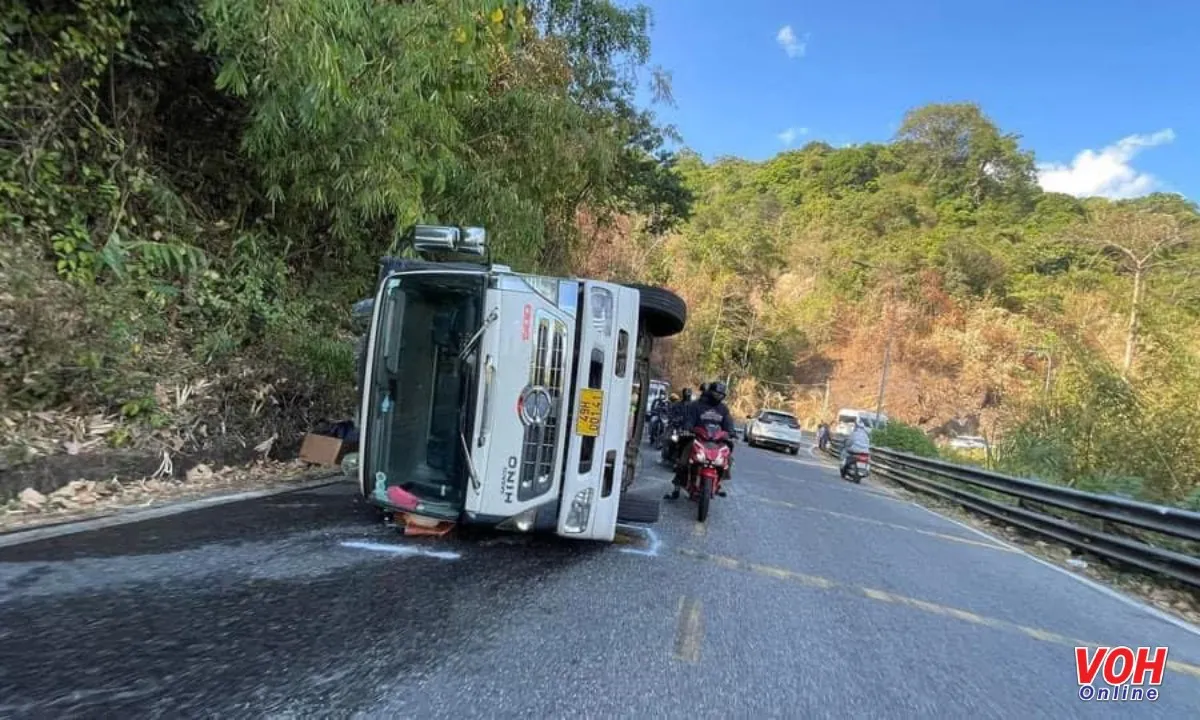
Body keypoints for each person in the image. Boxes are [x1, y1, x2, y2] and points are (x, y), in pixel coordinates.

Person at [665, 381, 736, 500]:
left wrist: (731, 432)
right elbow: (689, 419)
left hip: (716, 441)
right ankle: (677, 485)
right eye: (716, 393)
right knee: (683, 458)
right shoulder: (696, 405)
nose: (718, 396)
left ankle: (718, 483)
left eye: (721, 395)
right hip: (698, 438)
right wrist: (688, 428)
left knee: (728, 457)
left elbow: (728, 422)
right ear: (710, 392)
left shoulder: (723, 409)